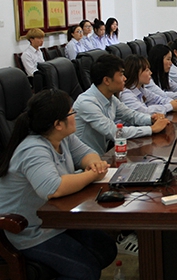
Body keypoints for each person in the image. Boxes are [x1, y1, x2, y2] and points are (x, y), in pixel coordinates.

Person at [0, 89, 117, 279]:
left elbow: (88, 153)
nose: (75, 115)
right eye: (72, 113)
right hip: (28, 230)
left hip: (56, 219)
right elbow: (54, 188)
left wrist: (94, 164)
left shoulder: (63, 138)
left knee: (106, 249)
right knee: (86, 272)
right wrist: (92, 175)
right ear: (58, 124)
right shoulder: (33, 149)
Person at [73, 54, 170, 155]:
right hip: (86, 160)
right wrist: (151, 129)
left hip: (104, 155)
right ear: (106, 80)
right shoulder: (87, 103)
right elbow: (114, 132)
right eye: (121, 75)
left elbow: (131, 115)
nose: (125, 78)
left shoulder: (110, 98)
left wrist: (151, 119)